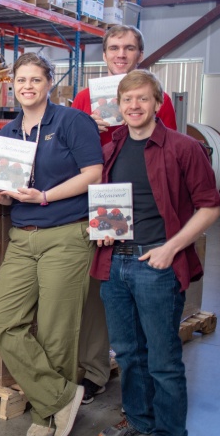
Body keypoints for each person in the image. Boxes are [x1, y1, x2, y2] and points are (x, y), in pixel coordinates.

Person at [92, 70, 220, 436]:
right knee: (129, 353)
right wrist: (102, 228)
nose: (134, 106)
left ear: (157, 103)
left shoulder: (183, 148)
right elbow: (108, 202)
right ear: (119, 104)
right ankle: (140, 421)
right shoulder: (111, 148)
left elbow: (209, 207)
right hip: (114, 263)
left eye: (143, 99)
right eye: (128, 100)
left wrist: (171, 247)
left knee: (163, 359)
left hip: (157, 265)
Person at [0, 53, 103, 436]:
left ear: (50, 82)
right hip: (22, 234)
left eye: (36, 79)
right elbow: (12, 193)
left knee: (56, 331)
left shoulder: (71, 121)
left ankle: (47, 414)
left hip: (65, 236)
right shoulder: (11, 132)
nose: (28, 86)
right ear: (12, 85)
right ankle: (61, 397)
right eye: (21, 80)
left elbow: (93, 173)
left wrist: (45, 196)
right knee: (2, 321)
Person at [72, 24, 178, 405]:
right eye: (114, 48)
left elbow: (168, 154)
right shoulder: (85, 97)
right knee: (98, 293)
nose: (121, 54)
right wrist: (88, 127)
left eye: (129, 48)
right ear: (103, 55)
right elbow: (70, 154)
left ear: (140, 54)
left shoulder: (155, 97)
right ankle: (96, 370)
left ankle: (144, 383)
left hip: (144, 210)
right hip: (99, 204)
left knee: (139, 295)